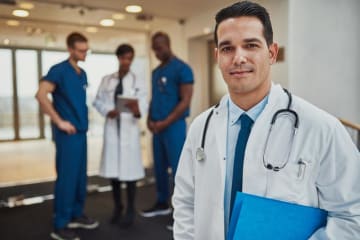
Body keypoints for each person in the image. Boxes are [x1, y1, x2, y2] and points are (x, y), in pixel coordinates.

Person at [172, 1, 360, 240]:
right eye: (227, 48)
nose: (238, 58)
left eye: (251, 45)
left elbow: (352, 215)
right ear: (217, 56)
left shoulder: (321, 128)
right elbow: (185, 201)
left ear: (271, 53)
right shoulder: (201, 126)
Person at [35, 32, 98, 240]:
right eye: (80, 50)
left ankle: (76, 214)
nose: (84, 53)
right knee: (67, 178)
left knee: (80, 177)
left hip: (81, 132)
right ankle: (60, 224)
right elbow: (41, 95)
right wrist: (59, 121)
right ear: (70, 49)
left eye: (86, 50)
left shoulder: (83, 73)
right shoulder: (59, 70)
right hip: (67, 134)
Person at [93, 44, 147, 228]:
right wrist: (108, 110)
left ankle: (131, 210)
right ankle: (118, 208)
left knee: (131, 175)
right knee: (114, 175)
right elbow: (97, 101)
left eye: (129, 58)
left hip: (129, 130)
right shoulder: (107, 80)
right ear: (118, 58)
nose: (126, 62)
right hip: (112, 129)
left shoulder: (138, 80)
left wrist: (136, 109)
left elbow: (144, 106)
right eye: (123, 58)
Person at [140, 32, 194, 219]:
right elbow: (154, 98)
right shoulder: (156, 72)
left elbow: (185, 101)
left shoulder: (182, 69)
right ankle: (162, 202)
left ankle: (182, 211)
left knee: (179, 169)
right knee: (159, 167)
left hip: (174, 127)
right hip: (157, 128)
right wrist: (148, 119)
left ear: (168, 44)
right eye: (154, 48)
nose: (156, 52)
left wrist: (165, 122)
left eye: (159, 48)